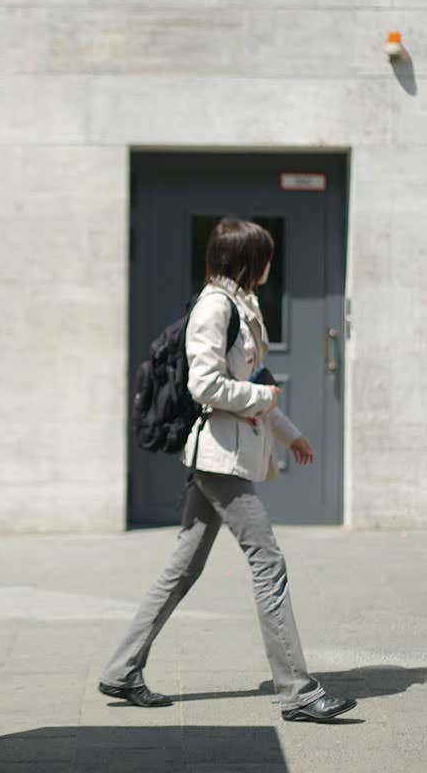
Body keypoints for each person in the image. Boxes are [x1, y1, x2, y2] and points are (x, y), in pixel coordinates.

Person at [98, 217, 357, 723]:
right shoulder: (214, 307)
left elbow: (255, 378)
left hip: (228, 453)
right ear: (245, 259)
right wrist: (263, 397)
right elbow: (206, 385)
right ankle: (298, 692)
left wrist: (290, 433)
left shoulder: (242, 305)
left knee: (183, 567)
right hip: (219, 458)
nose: (270, 264)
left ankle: (122, 669)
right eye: (265, 255)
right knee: (268, 562)